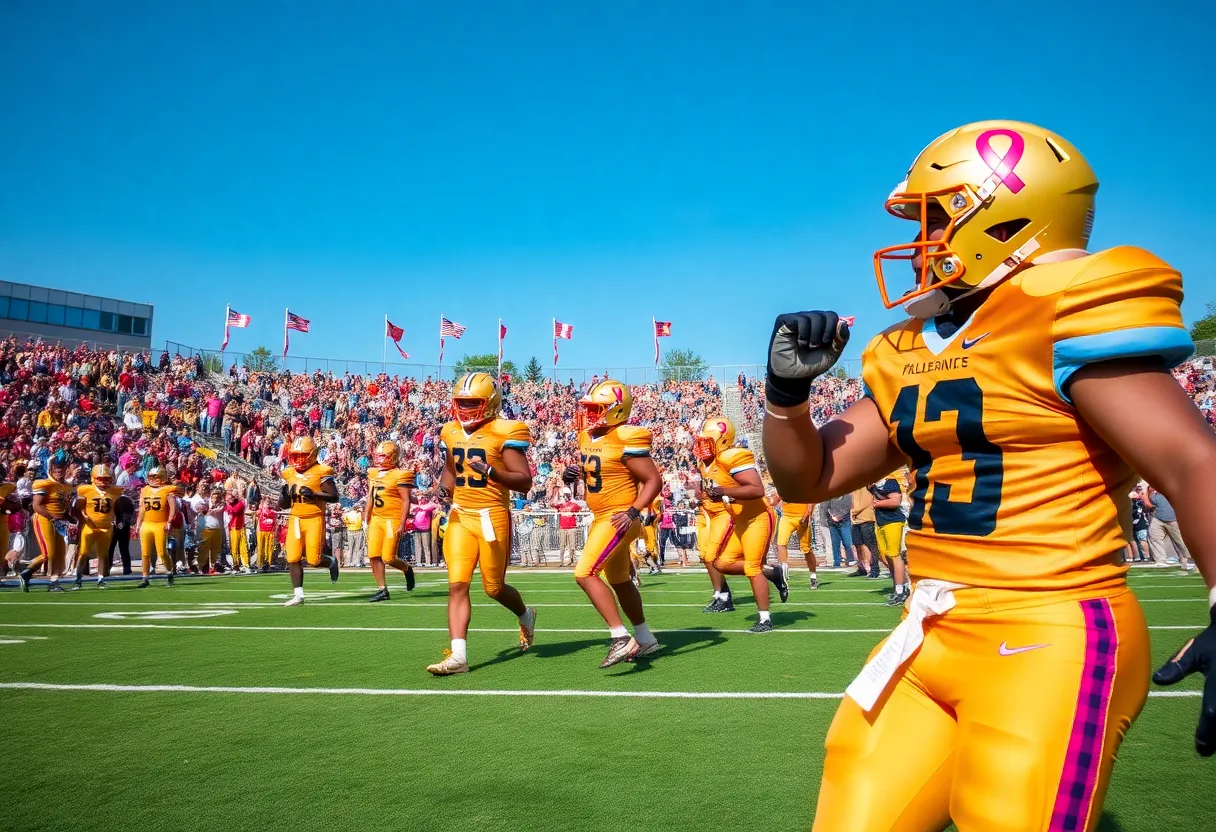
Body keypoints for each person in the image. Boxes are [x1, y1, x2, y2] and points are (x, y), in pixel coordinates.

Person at [761, 120, 1215, 830]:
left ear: (1004, 215)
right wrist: (786, 401)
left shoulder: (1066, 300)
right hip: (930, 629)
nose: (919, 243)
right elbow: (808, 480)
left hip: (1049, 625)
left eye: (936, 217)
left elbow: (1192, 459)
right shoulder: (909, 346)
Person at [427, 373, 536, 676]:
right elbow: (451, 467)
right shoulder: (451, 431)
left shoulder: (505, 431)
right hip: (461, 515)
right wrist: (444, 487)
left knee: (494, 588)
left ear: (489, 403)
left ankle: (526, 615)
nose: (465, 409)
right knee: (457, 583)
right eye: (461, 402)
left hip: (492, 515)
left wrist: (491, 471)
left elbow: (525, 482)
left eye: (473, 402)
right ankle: (458, 655)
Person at [563, 380, 661, 667]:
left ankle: (620, 637)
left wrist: (633, 511)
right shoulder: (587, 437)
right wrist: (574, 474)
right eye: (590, 408)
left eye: (597, 409)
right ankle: (645, 638)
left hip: (619, 517)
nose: (591, 414)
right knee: (619, 580)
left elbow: (654, 480)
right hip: (602, 517)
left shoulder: (627, 436)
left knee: (584, 573)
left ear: (616, 410)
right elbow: (600, 475)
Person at [694, 417, 787, 632]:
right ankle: (772, 573)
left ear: (723, 440)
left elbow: (756, 489)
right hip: (739, 519)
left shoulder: (732, 456)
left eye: (707, 441)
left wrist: (724, 492)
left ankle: (765, 619)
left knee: (752, 567)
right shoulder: (708, 464)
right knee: (721, 563)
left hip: (757, 518)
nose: (701, 446)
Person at [279, 435, 340, 605]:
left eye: (302, 455)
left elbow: (334, 496)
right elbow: (283, 504)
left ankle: (331, 561)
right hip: (296, 518)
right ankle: (298, 595)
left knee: (314, 560)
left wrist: (314, 494)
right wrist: (284, 494)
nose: (298, 459)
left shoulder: (321, 471)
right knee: (293, 557)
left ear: (312, 454)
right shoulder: (289, 473)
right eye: (295, 455)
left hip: (314, 518)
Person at [364, 440, 417, 601]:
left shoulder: (401, 474)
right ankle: (382, 590)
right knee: (373, 555)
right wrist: (366, 517)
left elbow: (406, 500)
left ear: (393, 457)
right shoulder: (373, 473)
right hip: (376, 519)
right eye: (378, 456)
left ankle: (406, 569)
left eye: (383, 456)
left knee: (388, 557)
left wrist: (402, 524)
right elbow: (371, 497)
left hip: (391, 519)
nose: (379, 460)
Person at [20, 457, 75, 592]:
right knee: (48, 553)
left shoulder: (66, 486)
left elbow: (64, 505)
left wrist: (69, 518)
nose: (60, 473)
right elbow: (37, 505)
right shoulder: (44, 484)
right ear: (51, 471)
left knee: (59, 554)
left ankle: (54, 582)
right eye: (57, 471)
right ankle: (26, 572)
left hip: (60, 521)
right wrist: (52, 517)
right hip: (44, 519)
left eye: (62, 471)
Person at [73, 464, 122, 588]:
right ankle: (78, 578)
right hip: (90, 526)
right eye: (100, 478)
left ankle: (100, 579)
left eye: (106, 479)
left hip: (106, 526)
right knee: (83, 552)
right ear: (93, 478)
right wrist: (83, 514)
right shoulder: (86, 490)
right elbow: (78, 508)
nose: (103, 481)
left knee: (102, 554)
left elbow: (118, 509)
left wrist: (118, 520)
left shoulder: (115, 492)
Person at [136, 466, 177, 587]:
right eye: (151, 476)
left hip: (160, 524)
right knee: (145, 553)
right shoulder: (145, 489)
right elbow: (142, 508)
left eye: (156, 476)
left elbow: (173, 508)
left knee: (162, 552)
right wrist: (138, 524)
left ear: (163, 477)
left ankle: (170, 573)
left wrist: (169, 521)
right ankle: (145, 578)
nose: (153, 479)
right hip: (147, 524)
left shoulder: (168, 490)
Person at [871, 474, 908, 604]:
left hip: (893, 521)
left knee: (894, 554)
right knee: (885, 555)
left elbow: (895, 501)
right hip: (881, 521)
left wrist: (877, 503)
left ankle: (901, 590)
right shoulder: (873, 483)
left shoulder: (889, 481)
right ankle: (899, 585)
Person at [774, 494, 816, 589]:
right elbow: (776, 499)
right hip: (787, 517)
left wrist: (806, 516)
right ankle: (783, 572)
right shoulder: (785, 484)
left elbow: (810, 504)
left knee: (806, 549)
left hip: (802, 517)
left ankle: (813, 576)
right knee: (781, 543)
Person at [198, 487, 224, 574]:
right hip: (207, 528)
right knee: (204, 550)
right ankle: (202, 568)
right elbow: (206, 512)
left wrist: (214, 508)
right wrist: (211, 508)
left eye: (217, 497)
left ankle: (213, 567)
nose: (215, 499)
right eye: (213, 497)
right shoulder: (206, 503)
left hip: (217, 529)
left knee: (215, 550)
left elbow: (219, 511)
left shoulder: (222, 505)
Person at [255, 497, 277, 572]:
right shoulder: (260, 511)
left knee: (269, 549)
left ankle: (268, 564)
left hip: (270, 531)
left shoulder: (273, 512)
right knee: (261, 548)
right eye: (266, 502)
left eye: (269, 502)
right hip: (262, 531)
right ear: (262, 503)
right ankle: (260, 564)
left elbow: (275, 522)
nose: (268, 503)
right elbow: (255, 515)